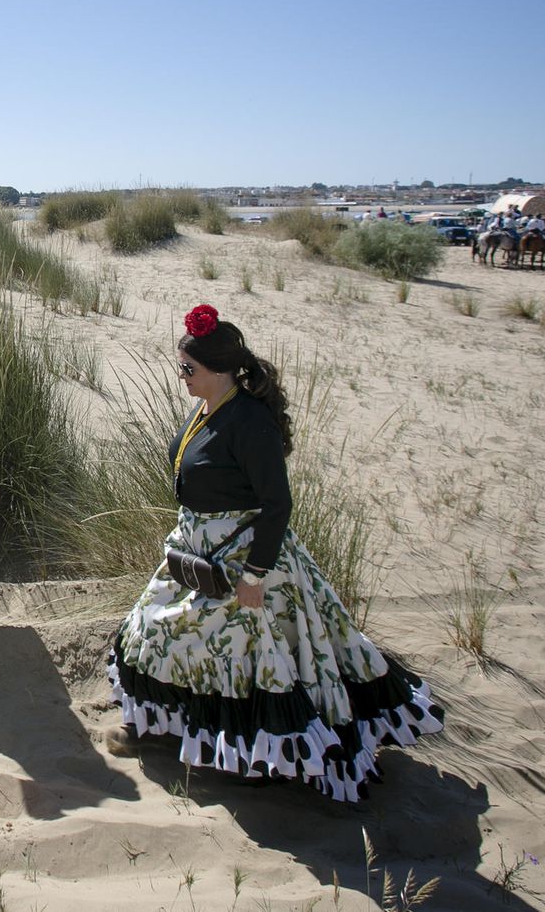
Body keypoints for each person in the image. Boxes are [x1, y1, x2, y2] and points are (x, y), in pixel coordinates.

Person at [105, 305, 444, 802]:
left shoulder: (249, 421)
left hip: (244, 561)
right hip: (195, 552)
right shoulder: (207, 407)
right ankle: (161, 727)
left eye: (187, 369)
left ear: (218, 370)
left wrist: (254, 575)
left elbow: (277, 504)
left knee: (250, 662)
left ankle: (259, 759)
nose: (182, 377)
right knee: (151, 628)